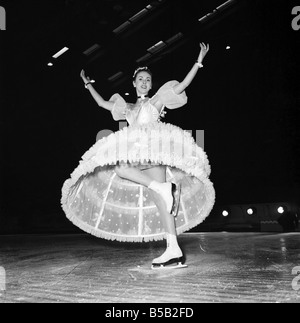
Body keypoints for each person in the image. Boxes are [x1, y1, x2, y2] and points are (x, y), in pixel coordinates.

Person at [61, 43, 215, 269]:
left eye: (148, 80)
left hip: (155, 148)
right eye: (141, 79)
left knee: (143, 186)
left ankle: (172, 245)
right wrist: (87, 85)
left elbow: (181, 85)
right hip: (137, 150)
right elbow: (103, 103)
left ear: (151, 84)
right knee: (142, 183)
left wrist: (198, 61)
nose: (145, 82)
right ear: (133, 83)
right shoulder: (128, 107)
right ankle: (172, 240)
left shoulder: (157, 100)